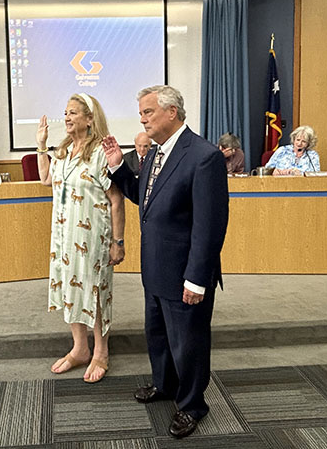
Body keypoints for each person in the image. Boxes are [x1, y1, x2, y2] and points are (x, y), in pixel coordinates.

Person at [101, 85, 229, 438]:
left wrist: (197, 278)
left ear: (172, 112)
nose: (142, 119)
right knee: (158, 336)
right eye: (141, 113)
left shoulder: (203, 156)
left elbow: (210, 225)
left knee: (188, 343)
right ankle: (165, 386)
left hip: (185, 273)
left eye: (148, 112)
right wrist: (117, 168)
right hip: (155, 268)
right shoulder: (156, 152)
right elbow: (147, 200)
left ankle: (191, 406)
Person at [36, 93, 125, 384]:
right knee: (69, 289)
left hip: (93, 236)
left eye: (73, 112)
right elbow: (46, 179)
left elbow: (116, 199)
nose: (67, 117)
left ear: (90, 119)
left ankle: (101, 351)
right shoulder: (62, 151)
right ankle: (80, 348)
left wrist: (118, 241)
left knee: (94, 292)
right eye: (65, 113)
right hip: (63, 235)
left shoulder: (101, 152)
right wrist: (41, 145)